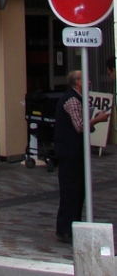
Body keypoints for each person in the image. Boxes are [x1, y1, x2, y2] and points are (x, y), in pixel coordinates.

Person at [53, 70, 111, 244]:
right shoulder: (72, 99)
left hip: (74, 152)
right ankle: (66, 229)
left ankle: (72, 227)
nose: (90, 82)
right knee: (71, 191)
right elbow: (80, 126)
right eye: (86, 80)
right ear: (78, 82)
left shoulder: (76, 98)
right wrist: (97, 120)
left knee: (78, 191)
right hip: (70, 153)